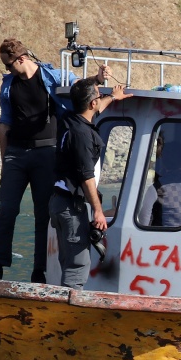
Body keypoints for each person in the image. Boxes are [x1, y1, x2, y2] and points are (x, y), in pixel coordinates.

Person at [0, 38, 93, 282]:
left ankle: (39, 269)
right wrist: (5, 162)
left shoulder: (50, 76)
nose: (7, 70)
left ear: (21, 59)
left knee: (43, 214)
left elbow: (77, 85)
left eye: (8, 65)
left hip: (46, 153)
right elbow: (4, 125)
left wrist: (97, 79)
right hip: (16, 153)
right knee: (6, 210)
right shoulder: (9, 85)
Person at [49, 78, 127, 290]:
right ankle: (70, 308)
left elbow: (95, 109)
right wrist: (98, 211)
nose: (100, 99)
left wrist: (112, 97)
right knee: (77, 266)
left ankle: (62, 302)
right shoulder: (83, 135)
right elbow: (86, 176)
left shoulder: (70, 119)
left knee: (67, 261)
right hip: (71, 206)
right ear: (92, 103)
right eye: (99, 96)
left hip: (58, 202)